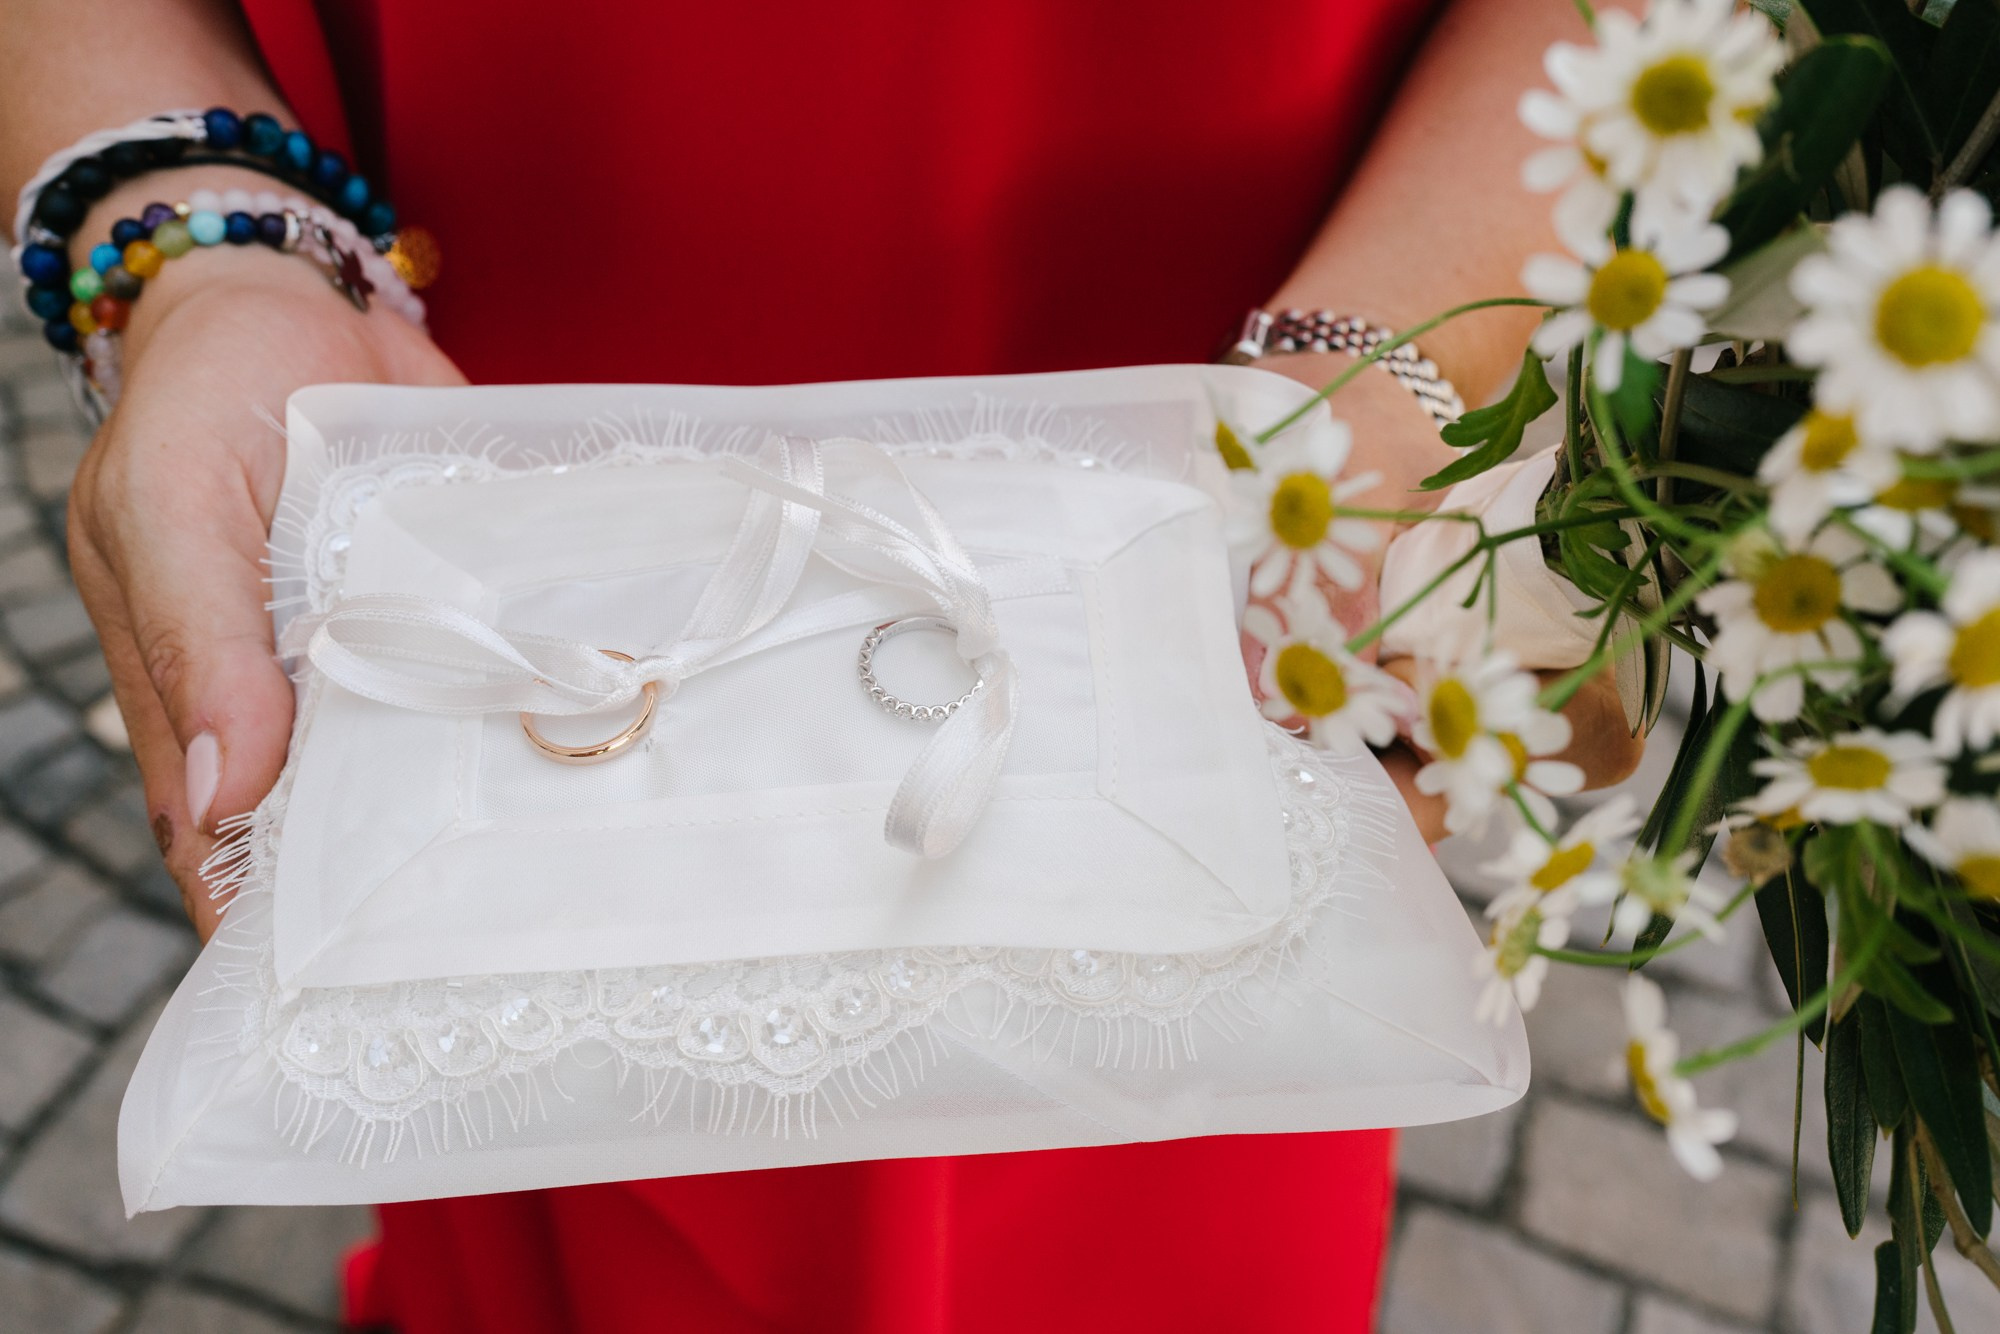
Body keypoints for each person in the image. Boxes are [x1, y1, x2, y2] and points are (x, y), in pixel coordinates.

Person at [1, 1, 1643, 1329]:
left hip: (1235, 467)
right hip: (496, 430)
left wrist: (1406, 363)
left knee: (1162, 1143)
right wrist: (206, 249)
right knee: (555, 1116)